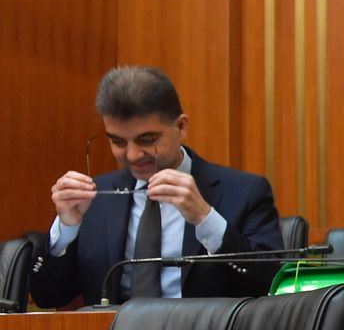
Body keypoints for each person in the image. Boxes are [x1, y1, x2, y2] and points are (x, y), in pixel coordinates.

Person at [32, 66, 283, 307]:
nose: (132, 155)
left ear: (181, 126)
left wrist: (205, 218)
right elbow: (47, 296)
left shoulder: (244, 192)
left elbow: (273, 286)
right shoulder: (94, 198)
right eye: (118, 142)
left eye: (147, 140)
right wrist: (67, 227)